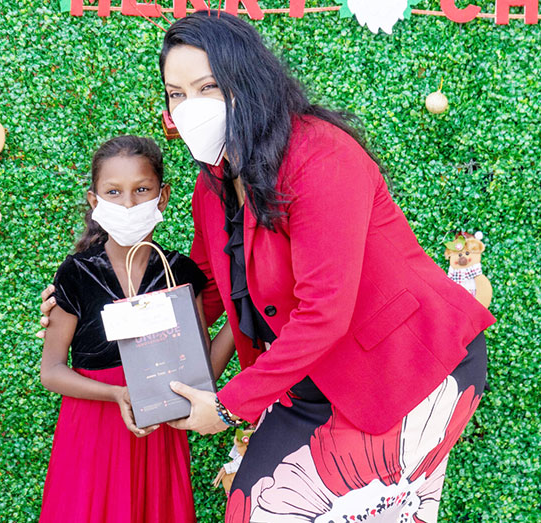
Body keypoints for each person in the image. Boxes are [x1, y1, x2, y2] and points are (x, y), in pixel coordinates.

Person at [42, 12, 495, 522]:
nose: (190, 108)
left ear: (247, 82)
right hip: (311, 376)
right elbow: (211, 288)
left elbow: (325, 311)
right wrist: (102, 313)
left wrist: (228, 405)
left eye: (208, 86)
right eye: (177, 94)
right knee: (254, 506)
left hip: (405, 366)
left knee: (288, 508)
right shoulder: (211, 187)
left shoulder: (321, 155)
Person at [38, 135, 232, 522]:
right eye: (113, 192)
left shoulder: (180, 274)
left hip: (159, 431)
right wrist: (117, 394)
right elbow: (51, 370)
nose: (128, 203)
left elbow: (202, 371)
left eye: (141, 190)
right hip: (93, 431)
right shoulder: (77, 273)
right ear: (95, 201)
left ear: (162, 197)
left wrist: (241, 315)